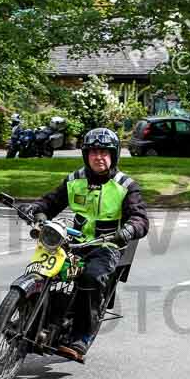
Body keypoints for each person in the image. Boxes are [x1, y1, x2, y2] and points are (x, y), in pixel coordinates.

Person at [19, 128, 149, 362]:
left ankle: (81, 337)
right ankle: (32, 321)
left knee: (91, 277)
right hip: (72, 243)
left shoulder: (126, 185)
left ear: (114, 155)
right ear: (86, 155)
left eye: (105, 153)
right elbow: (51, 200)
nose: (99, 157)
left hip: (106, 246)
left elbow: (140, 218)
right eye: (93, 152)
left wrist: (128, 230)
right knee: (43, 270)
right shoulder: (75, 180)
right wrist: (37, 210)